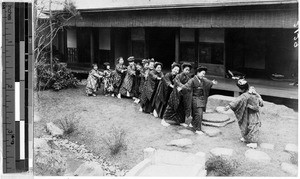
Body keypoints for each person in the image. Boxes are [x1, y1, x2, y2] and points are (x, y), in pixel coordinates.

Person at [224, 79, 263, 149]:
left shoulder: (246, 95)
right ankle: (247, 138)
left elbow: (237, 101)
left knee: (252, 126)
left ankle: (253, 142)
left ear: (242, 89)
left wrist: (228, 106)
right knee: (245, 124)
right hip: (247, 112)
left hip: (253, 112)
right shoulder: (251, 91)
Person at [178, 66, 217, 135]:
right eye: (202, 73)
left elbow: (209, 82)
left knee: (196, 113)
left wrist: (212, 82)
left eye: (204, 74)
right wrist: (181, 88)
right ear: (198, 73)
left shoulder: (203, 79)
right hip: (195, 98)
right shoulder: (193, 80)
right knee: (199, 114)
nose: (203, 75)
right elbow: (186, 86)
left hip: (201, 99)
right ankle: (198, 129)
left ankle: (193, 124)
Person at [161, 62, 192, 127]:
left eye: (188, 70)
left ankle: (180, 121)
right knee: (171, 107)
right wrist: (183, 86)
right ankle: (164, 120)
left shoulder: (188, 78)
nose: (187, 71)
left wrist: (185, 87)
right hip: (175, 95)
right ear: (183, 69)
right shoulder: (178, 76)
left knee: (181, 109)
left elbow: (189, 84)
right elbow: (176, 81)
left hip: (182, 95)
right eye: (186, 69)